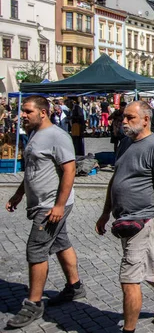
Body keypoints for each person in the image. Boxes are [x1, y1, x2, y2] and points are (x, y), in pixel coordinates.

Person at [95, 101, 154, 332]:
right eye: (123, 117)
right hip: (124, 219)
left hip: (143, 221)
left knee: (129, 279)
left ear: (146, 120)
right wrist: (105, 213)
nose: (124, 122)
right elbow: (115, 180)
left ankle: (129, 329)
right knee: (145, 267)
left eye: (130, 118)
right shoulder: (125, 143)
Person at [5, 96, 85, 329]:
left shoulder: (57, 136)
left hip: (52, 204)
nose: (24, 115)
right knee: (60, 242)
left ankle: (34, 303)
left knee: (36, 248)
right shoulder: (34, 134)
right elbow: (32, 170)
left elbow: (69, 171)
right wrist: (19, 194)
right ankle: (75, 286)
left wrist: (59, 206)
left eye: (28, 111)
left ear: (43, 112)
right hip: (40, 202)